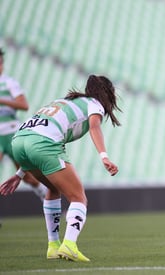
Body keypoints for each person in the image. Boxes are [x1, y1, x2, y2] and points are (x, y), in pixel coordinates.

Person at [0, 75, 121, 262]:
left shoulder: (64, 101)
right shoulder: (94, 103)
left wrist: (20, 172)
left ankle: (53, 246)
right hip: (42, 143)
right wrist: (104, 156)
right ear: (106, 93)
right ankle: (69, 245)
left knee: (53, 188)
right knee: (78, 197)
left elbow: (36, 132)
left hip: (19, 141)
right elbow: (95, 127)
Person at [0, 47, 46, 201]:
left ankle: (50, 200)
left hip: (11, 133)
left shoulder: (8, 83)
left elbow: (23, 104)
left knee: (27, 177)